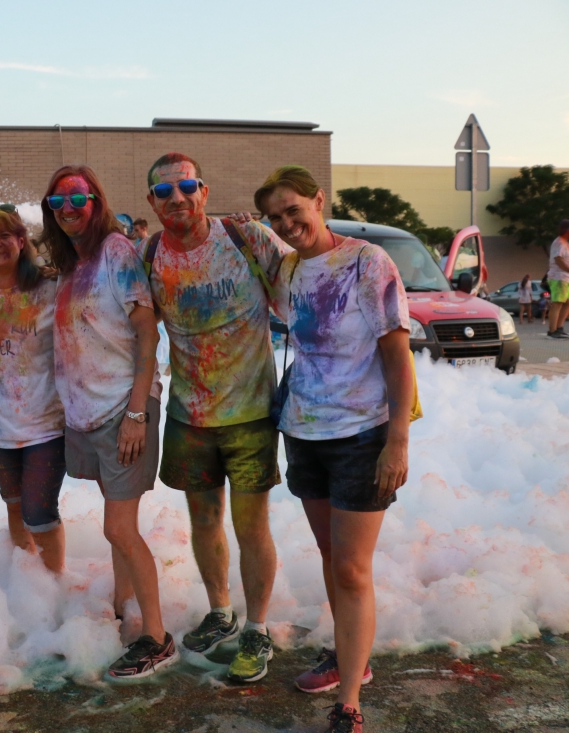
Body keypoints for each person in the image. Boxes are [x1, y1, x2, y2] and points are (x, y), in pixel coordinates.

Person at [257, 166, 412, 733]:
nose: (287, 222)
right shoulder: (292, 269)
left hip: (361, 436)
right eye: (275, 217)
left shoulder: (368, 262)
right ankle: (351, 655)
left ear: (319, 201)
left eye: (294, 208)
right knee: (331, 558)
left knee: (351, 568)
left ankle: (349, 702)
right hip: (303, 433)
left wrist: (397, 440)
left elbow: (398, 355)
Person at [142, 152, 289, 683]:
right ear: (153, 203)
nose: (176, 198)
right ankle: (221, 612)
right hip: (189, 415)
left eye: (186, 186)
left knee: (251, 528)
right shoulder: (151, 254)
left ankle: (258, 627)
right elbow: (130, 325)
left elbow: (301, 291)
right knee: (203, 521)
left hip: (250, 415)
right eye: (164, 191)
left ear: (203, 190)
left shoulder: (245, 239)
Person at [38, 165, 171, 679]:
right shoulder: (71, 264)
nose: (68, 209)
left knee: (117, 525)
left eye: (78, 198)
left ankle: (157, 636)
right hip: (87, 413)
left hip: (123, 409)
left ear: (97, 199)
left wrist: (137, 412)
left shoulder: (116, 252)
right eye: (58, 202)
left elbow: (147, 334)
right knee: (120, 526)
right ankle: (121, 609)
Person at [0, 204, 66, 572]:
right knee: (13, 504)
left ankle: (54, 586)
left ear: (22, 241)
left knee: (38, 513)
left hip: (45, 424)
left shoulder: (50, 288)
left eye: (6, 235)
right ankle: (28, 582)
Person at [545, 219, 569, 339]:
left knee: (566, 303)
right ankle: (552, 331)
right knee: (557, 303)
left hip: (565, 278)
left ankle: (559, 328)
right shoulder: (559, 242)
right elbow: (558, 259)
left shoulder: (565, 243)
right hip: (559, 277)